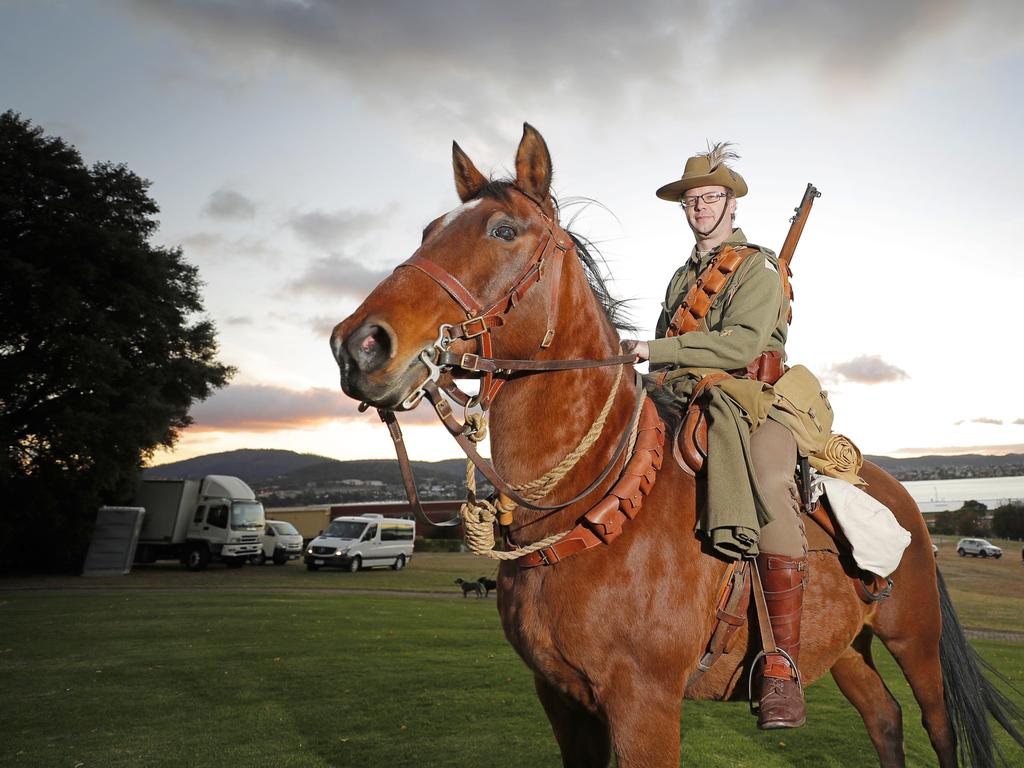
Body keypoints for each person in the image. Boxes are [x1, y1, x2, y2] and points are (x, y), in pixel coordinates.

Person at [625, 144, 808, 729]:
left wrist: (656, 350)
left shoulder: (757, 267)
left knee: (772, 487)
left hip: (749, 399)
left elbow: (740, 347)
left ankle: (780, 668)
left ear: (731, 204)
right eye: (692, 199)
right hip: (678, 395)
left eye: (710, 197)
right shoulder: (684, 275)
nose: (700, 207)